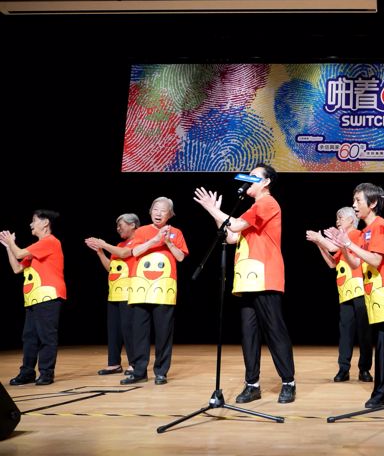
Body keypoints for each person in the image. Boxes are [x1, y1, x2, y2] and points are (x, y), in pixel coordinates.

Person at [194, 164, 296, 404]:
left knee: (275, 331)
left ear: (266, 182)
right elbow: (231, 237)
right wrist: (215, 213)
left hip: (265, 277)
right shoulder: (253, 208)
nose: (248, 180)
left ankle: (288, 382)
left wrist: (214, 210)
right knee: (249, 334)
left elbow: (235, 226)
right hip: (248, 280)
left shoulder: (267, 203)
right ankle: (252, 385)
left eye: (254, 177)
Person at [325, 182, 384, 408]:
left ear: (373, 203)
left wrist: (348, 244)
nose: (354, 205)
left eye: (358, 201)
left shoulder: (380, 226)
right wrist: (344, 247)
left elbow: (376, 259)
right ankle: (380, 393)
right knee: (382, 345)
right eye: (354, 200)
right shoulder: (365, 231)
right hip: (377, 296)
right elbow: (356, 262)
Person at [122, 197, 188, 386]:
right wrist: (155, 240)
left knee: (163, 333)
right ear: (150, 211)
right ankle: (139, 371)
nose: (159, 213)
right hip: (140, 288)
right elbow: (134, 253)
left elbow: (181, 257)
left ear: (170, 214)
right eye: (156, 210)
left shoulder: (176, 232)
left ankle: (161, 372)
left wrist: (168, 242)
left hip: (164, 289)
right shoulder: (141, 231)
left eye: (164, 211)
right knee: (139, 333)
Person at [306, 207, 373, 383]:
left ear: (351, 220)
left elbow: (335, 246)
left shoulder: (356, 234)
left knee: (364, 332)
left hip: (360, 290)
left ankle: (364, 369)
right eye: (337, 218)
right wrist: (319, 244)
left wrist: (320, 238)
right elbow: (331, 263)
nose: (337, 221)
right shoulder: (343, 240)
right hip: (345, 292)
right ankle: (344, 369)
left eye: (340, 217)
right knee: (345, 333)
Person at [1, 210, 66, 386]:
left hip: (48, 295)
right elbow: (17, 268)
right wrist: (9, 247)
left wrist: (12, 243)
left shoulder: (50, 242)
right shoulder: (37, 247)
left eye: (34, 221)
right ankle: (27, 372)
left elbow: (20, 253)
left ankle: (46, 373)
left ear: (45, 224)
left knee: (46, 337)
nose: (31, 224)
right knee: (29, 337)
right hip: (34, 297)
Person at [85, 213, 140, 376]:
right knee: (114, 330)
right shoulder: (119, 244)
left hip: (129, 292)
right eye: (117, 226)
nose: (118, 229)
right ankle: (114, 363)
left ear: (132, 225)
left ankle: (135, 363)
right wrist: (100, 251)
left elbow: (124, 254)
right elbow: (111, 268)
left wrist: (104, 243)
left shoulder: (138, 241)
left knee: (128, 329)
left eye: (120, 225)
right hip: (115, 292)